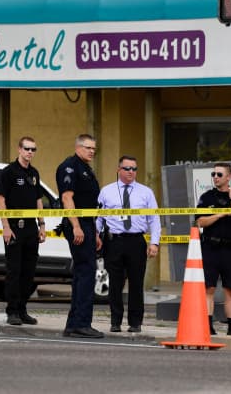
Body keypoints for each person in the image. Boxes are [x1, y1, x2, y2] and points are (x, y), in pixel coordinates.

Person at [96, 155, 161, 333]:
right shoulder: (107, 191)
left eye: (134, 169)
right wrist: (96, 234)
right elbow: (99, 217)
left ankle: (135, 322)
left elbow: (154, 219)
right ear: (119, 170)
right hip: (114, 241)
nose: (131, 172)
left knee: (136, 283)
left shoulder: (145, 192)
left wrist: (154, 243)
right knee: (115, 284)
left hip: (136, 241)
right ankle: (115, 321)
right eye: (127, 168)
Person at [56, 134, 103, 338]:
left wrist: (95, 231)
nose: (92, 151)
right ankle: (81, 323)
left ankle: (74, 323)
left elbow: (90, 204)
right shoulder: (69, 166)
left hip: (87, 224)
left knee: (83, 272)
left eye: (94, 148)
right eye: (88, 147)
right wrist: (76, 226)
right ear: (78, 147)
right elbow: (67, 198)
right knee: (86, 271)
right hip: (78, 224)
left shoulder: (86, 169)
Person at [0, 136, 47, 326]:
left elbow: (38, 200)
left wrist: (42, 225)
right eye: (27, 149)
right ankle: (12, 311)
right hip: (15, 228)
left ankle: (23, 308)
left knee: (29, 272)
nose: (30, 153)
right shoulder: (9, 172)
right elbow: (1, 200)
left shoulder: (34, 173)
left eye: (33, 149)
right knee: (14, 271)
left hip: (31, 229)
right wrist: (6, 227)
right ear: (19, 149)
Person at [196, 162, 231, 336]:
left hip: (230, 249)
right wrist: (218, 215)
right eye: (213, 174)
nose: (215, 177)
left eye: (219, 174)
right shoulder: (206, 197)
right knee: (208, 289)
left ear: (228, 177)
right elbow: (200, 222)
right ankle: (208, 326)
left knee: (230, 290)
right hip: (210, 247)